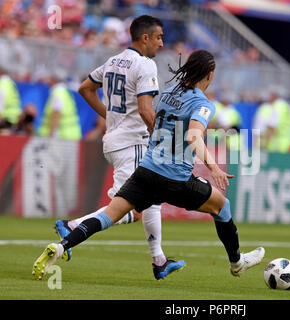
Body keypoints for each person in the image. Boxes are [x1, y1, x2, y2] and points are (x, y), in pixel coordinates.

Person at [32, 49, 265, 281]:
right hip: (176, 179)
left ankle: (61, 246)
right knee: (221, 207)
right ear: (210, 75)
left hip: (147, 170)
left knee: (109, 215)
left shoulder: (168, 92)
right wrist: (213, 167)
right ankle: (236, 263)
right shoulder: (203, 104)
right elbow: (193, 136)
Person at [53, 15, 185, 279]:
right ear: (145, 37)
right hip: (134, 142)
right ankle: (72, 226)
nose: (162, 43)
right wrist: (160, 139)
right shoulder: (145, 65)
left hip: (115, 140)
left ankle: (159, 261)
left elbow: (85, 87)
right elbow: (147, 111)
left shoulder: (113, 61)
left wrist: (110, 117)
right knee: (130, 208)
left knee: (152, 200)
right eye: (159, 37)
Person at [38, 73, 82, 140]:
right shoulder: (64, 91)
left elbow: (57, 113)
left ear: (54, 79)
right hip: (70, 135)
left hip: (63, 137)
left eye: (49, 78)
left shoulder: (57, 92)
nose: (47, 81)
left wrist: (51, 134)